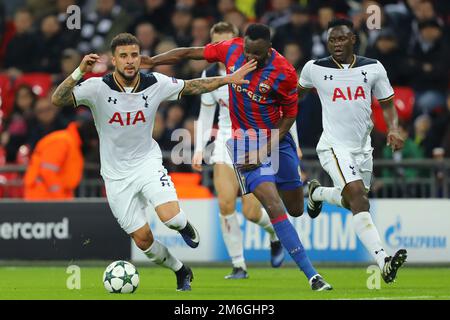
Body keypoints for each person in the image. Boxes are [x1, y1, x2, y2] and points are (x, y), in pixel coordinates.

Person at [51, 33, 256, 291]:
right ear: (114, 60)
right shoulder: (97, 88)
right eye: (123, 56)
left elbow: (192, 86)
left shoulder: (154, 83)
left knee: (171, 218)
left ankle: (184, 225)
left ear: (140, 58)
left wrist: (226, 79)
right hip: (115, 176)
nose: (130, 61)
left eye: (134, 55)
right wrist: (80, 71)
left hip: (147, 162)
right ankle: (181, 270)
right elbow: (57, 99)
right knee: (143, 239)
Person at [142, 23, 332, 291]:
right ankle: (311, 275)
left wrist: (266, 149)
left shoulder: (284, 72)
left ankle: (313, 195)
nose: (249, 58)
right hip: (242, 142)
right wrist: (153, 60)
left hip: (276, 139)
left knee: (295, 209)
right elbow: (188, 53)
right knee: (270, 204)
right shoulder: (231, 51)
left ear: (268, 48)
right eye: (246, 50)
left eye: (255, 53)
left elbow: (290, 116)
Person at [297, 19, 407, 283]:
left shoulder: (373, 67)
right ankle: (384, 261)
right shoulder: (314, 68)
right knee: (359, 197)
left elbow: (387, 103)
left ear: (353, 40)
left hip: (363, 148)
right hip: (333, 146)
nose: (336, 44)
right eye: (332, 40)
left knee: (352, 201)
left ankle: (318, 193)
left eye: (342, 39)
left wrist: (393, 128)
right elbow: (295, 97)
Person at [192, 22, 285, 279]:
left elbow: (284, 109)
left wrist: (292, 146)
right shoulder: (209, 75)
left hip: (251, 139)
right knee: (225, 202)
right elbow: (205, 113)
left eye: (226, 42)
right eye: (216, 44)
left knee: (252, 212)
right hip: (224, 139)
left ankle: (274, 234)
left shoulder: (258, 69)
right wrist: (199, 148)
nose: (221, 49)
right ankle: (238, 265)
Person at [23, 120, 87, 200]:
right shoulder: (63, 140)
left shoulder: (69, 141)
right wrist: (60, 198)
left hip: (49, 197)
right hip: (44, 196)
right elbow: (48, 171)